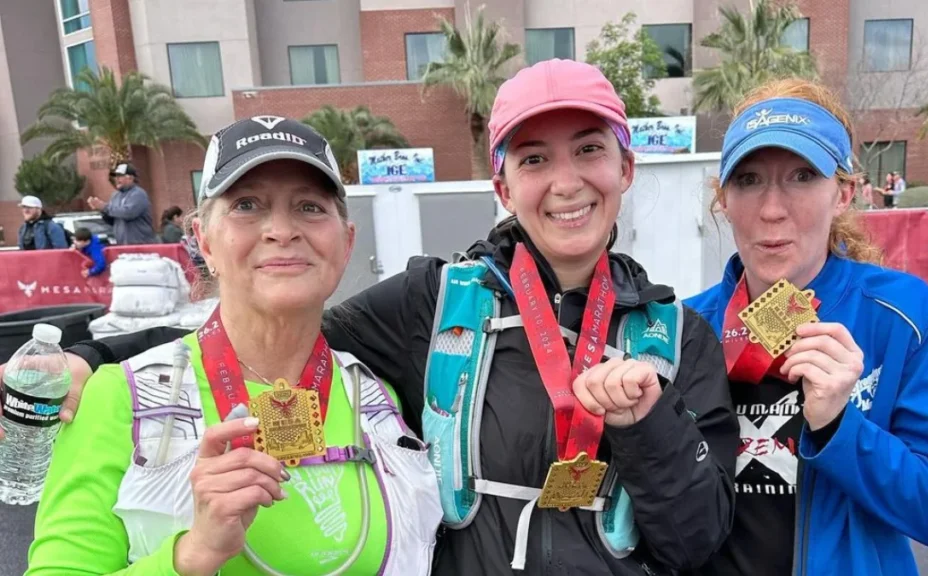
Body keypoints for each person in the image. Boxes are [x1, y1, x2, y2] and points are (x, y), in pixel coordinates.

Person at [15, 59, 738, 575]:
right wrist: (100, 357)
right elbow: (276, 330)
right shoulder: (436, 303)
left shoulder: (681, 338)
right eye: (535, 158)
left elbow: (697, 543)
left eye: (589, 151)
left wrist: (648, 428)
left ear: (626, 169)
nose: (567, 182)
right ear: (502, 185)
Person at [25, 116, 443, 575]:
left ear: (345, 243)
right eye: (247, 205)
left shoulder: (383, 397)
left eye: (310, 207)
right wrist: (193, 555)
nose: (282, 230)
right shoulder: (115, 399)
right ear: (202, 239)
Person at [684, 78, 928, 576]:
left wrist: (841, 426)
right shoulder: (689, 327)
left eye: (802, 176)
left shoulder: (900, 314)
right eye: (748, 179)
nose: (772, 209)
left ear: (842, 193)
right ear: (724, 200)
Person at [87, 163, 159, 245]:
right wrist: (101, 210)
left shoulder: (138, 194)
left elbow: (128, 213)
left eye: (120, 176)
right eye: (115, 176)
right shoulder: (115, 195)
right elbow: (112, 220)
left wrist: (104, 207)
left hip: (140, 244)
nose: (116, 179)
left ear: (131, 178)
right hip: (122, 244)